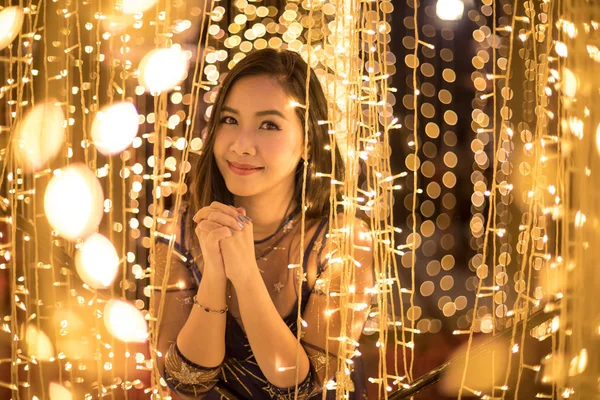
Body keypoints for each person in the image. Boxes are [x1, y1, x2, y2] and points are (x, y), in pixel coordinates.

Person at [152, 48, 374, 399]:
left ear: (309, 143)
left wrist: (244, 275)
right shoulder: (178, 234)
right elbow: (184, 383)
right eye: (229, 120)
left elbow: (299, 388)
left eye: (269, 125)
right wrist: (214, 274)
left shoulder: (344, 241)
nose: (241, 145)